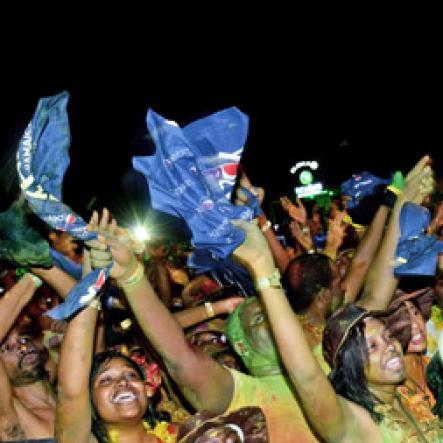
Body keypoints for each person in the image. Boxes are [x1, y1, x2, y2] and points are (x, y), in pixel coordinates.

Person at [231, 156, 442, 441]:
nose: (391, 346)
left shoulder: (403, 390)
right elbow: (307, 377)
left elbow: (376, 285)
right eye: (372, 345)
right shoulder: (355, 421)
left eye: (386, 337)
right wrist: (261, 267)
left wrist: (402, 203)